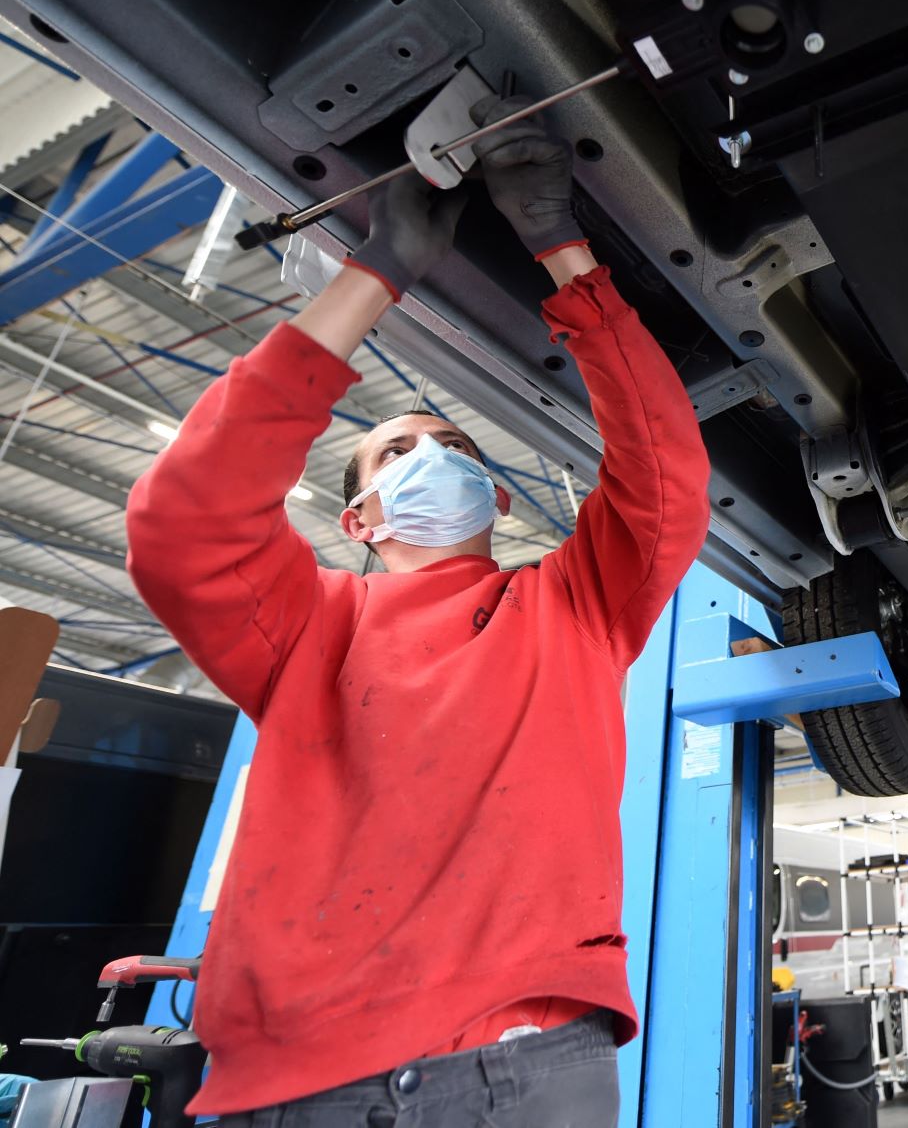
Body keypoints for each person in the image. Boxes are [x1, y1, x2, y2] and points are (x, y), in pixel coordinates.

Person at [123, 98, 710, 1127]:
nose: (434, 457)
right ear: (358, 515)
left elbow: (663, 475)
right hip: (298, 1087)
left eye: (458, 448)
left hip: (522, 1068)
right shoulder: (307, 625)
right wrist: (378, 269)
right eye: (399, 450)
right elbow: (184, 521)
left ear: (498, 498)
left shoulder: (571, 605)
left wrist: (563, 249)